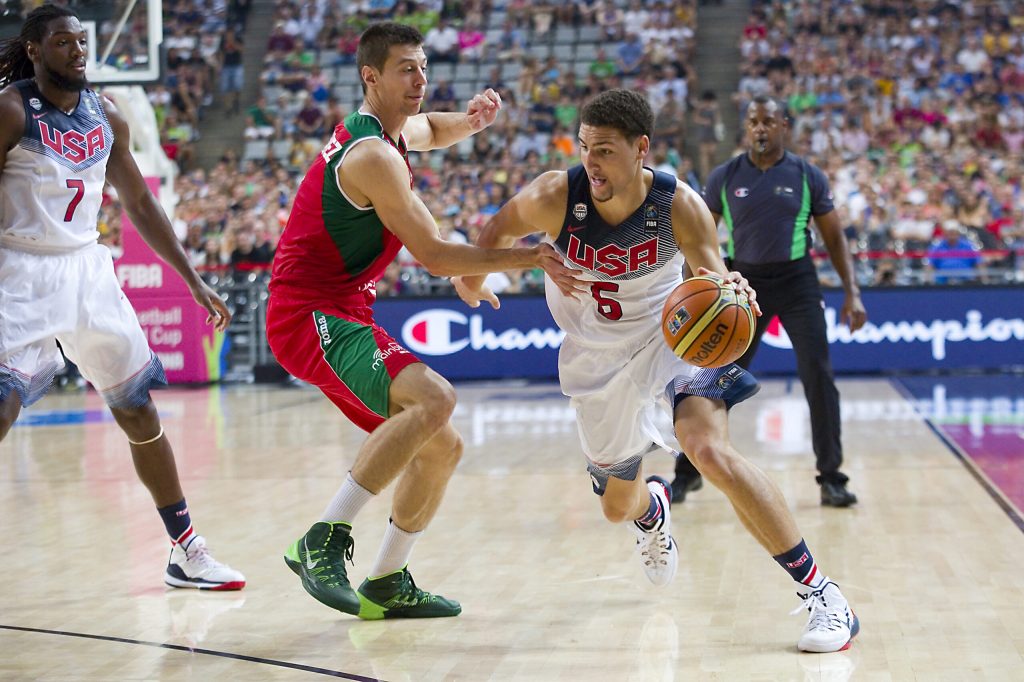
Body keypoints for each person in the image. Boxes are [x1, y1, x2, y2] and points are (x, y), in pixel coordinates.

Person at [453, 89, 859, 654]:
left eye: (605, 150)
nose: (591, 162)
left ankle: (823, 594)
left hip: (671, 340)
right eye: (585, 147)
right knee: (616, 507)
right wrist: (474, 281)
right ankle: (653, 511)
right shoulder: (555, 195)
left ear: (640, 148)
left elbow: (712, 274)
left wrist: (731, 289)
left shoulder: (677, 204)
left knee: (708, 449)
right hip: (595, 361)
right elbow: (494, 233)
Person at [266, 23, 575, 621]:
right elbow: (433, 255)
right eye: (407, 69)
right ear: (371, 77)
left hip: (344, 308)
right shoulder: (372, 156)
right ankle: (321, 538)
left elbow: (431, 128)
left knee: (441, 447)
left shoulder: (392, 133)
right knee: (436, 399)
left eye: (424, 67)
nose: (421, 79)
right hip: (309, 313)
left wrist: (471, 122)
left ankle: (386, 581)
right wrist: (528, 257)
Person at [0, 5, 245, 590]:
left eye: (81, 41)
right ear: (34, 50)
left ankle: (186, 551)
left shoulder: (106, 113)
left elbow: (139, 203)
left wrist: (193, 279)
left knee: (138, 410)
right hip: (18, 266)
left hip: (87, 268)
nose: (77, 51)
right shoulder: (10, 109)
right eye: (63, 42)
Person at [671, 95, 867, 508]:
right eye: (754, 122)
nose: (760, 128)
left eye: (768, 121)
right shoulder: (724, 176)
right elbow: (699, 235)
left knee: (818, 374)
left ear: (783, 126)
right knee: (712, 377)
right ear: (747, 128)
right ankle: (687, 472)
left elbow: (834, 238)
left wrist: (852, 292)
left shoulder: (807, 175)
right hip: (743, 283)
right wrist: (691, 287)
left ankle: (831, 477)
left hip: (798, 281)